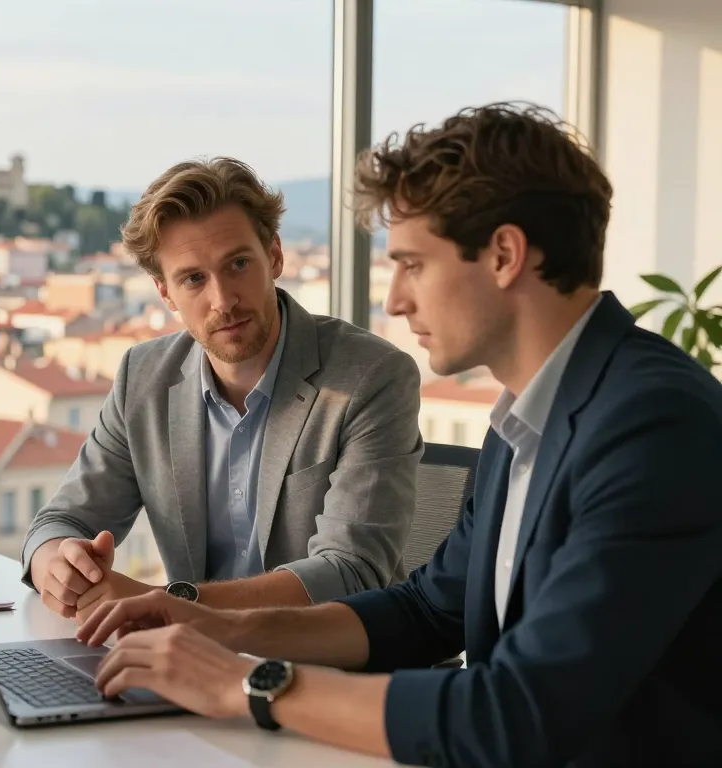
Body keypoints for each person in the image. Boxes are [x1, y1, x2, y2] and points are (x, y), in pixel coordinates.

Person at [75, 103, 722, 768]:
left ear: (504, 254)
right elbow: (425, 611)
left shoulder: (653, 426)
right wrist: (216, 625)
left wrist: (245, 683)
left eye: (412, 264)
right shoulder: (525, 415)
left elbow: (520, 709)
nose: (395, 300)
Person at [21, 157, 423, 623]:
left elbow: (352, 571)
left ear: (273, 255)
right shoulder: (143, 377)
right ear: (166, 293)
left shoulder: (371, 377)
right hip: (191, 663)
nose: (223, 300)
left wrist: (173, 607)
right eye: (193, 279)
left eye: (237, 264)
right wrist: (56, 562)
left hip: (329, 668)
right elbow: (58, 522)